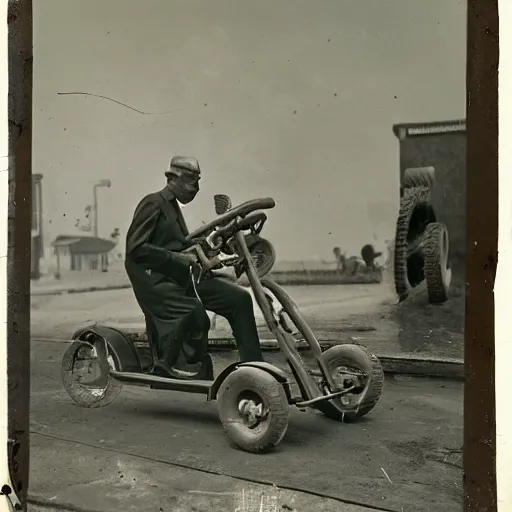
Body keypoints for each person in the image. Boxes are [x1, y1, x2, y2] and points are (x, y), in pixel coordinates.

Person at [124, 156, 264, 379]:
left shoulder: (172, 208)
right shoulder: (153, 203)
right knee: (194, 313)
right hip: (156, 283)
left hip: (182, 278)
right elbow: (135, 249)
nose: (195, 189)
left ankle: (256, 370)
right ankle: (183, 366)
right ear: (172, 179)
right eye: (191, 181)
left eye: (198, 182)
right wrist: (178, 259)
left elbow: (182, 246)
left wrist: (216, 242)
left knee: (240, 299)